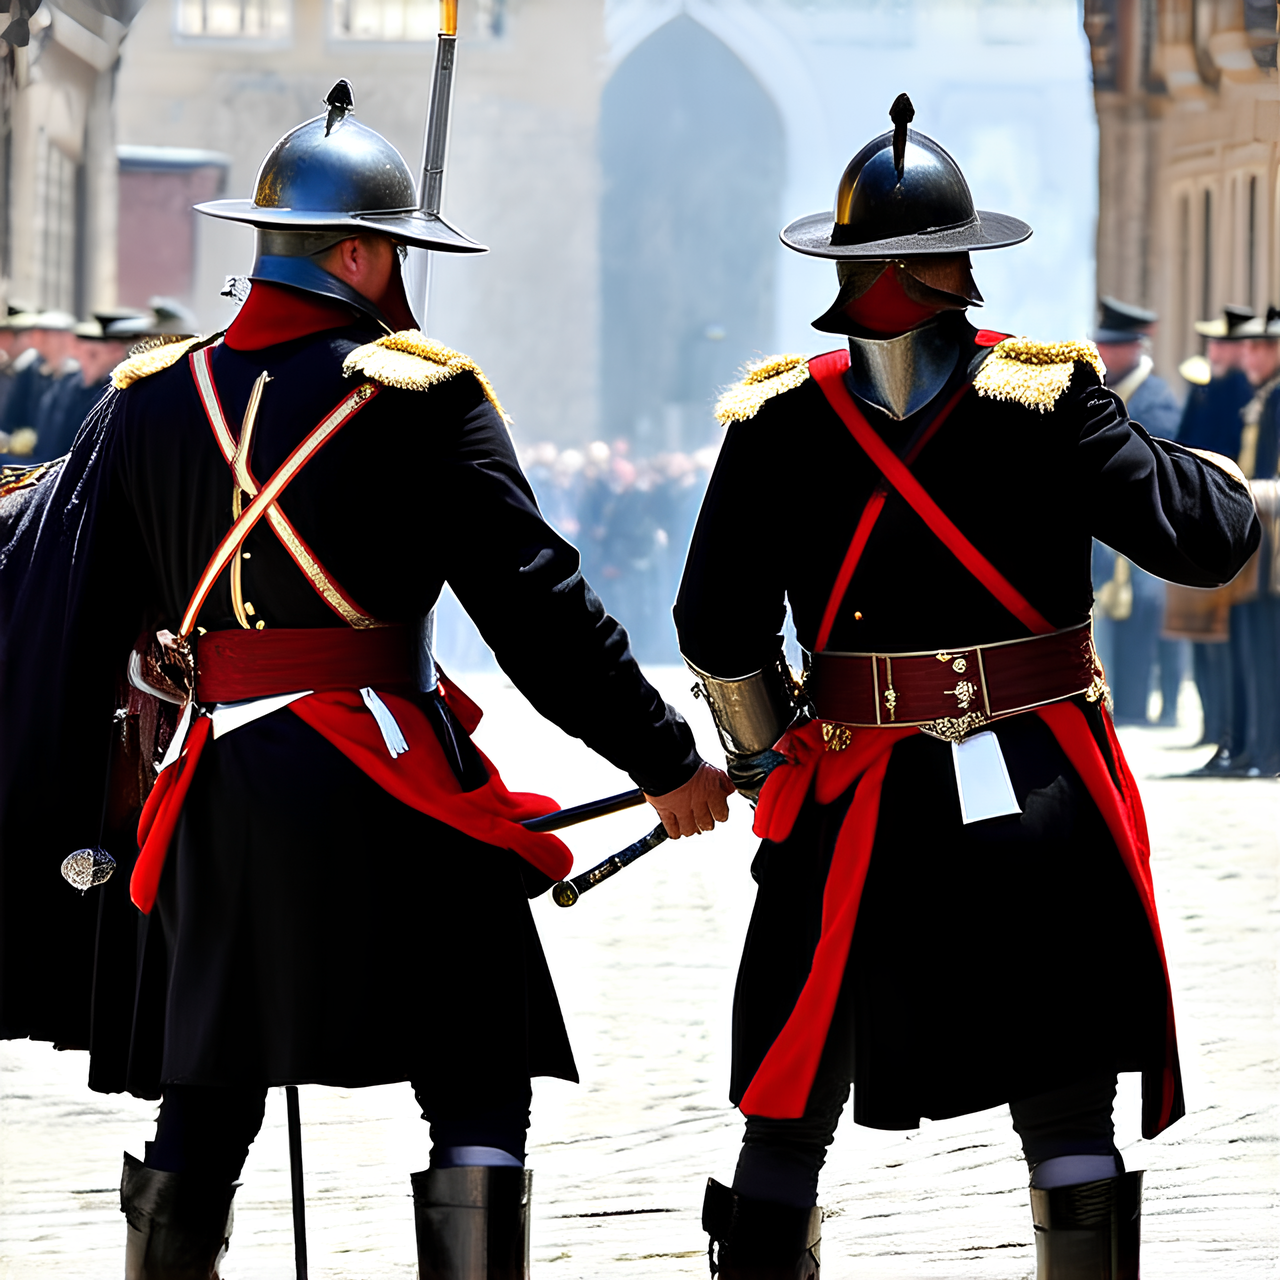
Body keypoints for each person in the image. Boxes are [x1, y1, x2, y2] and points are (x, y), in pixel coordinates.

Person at [0, 82, 732, 1280]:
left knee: (207, 1095)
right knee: (479, 1073)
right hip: (390, 780)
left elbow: (81, 610)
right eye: (390, 250)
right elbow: (539, 609)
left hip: (216, 791)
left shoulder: (148, 399)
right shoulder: (422, 397)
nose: (399, 272)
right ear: (351, 252)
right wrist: (664, 760)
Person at [674, 95, 1258, 1279]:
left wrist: (757, 750)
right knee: (1062, 1115)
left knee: (787, 1106)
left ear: (844, 269)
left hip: (848, 794)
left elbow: (716, 627)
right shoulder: (1045, 401)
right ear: (956, 268)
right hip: (1035, 786)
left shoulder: (776, 418)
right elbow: (1210, 535)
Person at [1090, 297, 1186, 726]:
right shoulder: (1104, 394)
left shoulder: (1156, 399)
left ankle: (1155, 709)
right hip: (1111, 538)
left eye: (1111, 345)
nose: (1101, 353)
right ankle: (1126, 709)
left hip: (1150, 529)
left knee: (1150, 617)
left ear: (1134, 348)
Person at [1166, 306, 1257, 753]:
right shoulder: (1205, 391)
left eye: (1223, 344)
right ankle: (1213, 729)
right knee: (1201, 641)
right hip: (1196, 520)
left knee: (1229, 647)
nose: (1214, 351)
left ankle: (1232, 736)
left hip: (1229, 523)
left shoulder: (1244, 395)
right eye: (1212, 343)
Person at [26, 320, 131, 464]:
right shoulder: (67, 384)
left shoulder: (122, 392)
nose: (85, 363)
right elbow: (49, 440)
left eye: (93, 355)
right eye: (83, 355)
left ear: (116, 352)